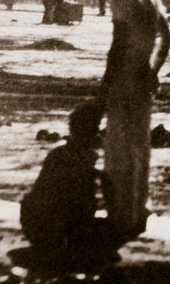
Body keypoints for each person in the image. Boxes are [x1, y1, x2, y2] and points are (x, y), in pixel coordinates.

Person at [99, 0, 170, 242]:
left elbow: (117, 45)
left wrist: (106, 82)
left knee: (118, 146)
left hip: (124, 78)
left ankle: (121, 216)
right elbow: (166, 37)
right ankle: (139, 209)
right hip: (142, 78)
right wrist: (153, 70)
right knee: (140, 146)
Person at [20, 101, 118, 270]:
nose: (97, 133)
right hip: (58, 228)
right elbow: (81, 205)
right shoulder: (81, 159)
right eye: (94, 128)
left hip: (38, 226)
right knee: (114, 229)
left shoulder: (59, 154)